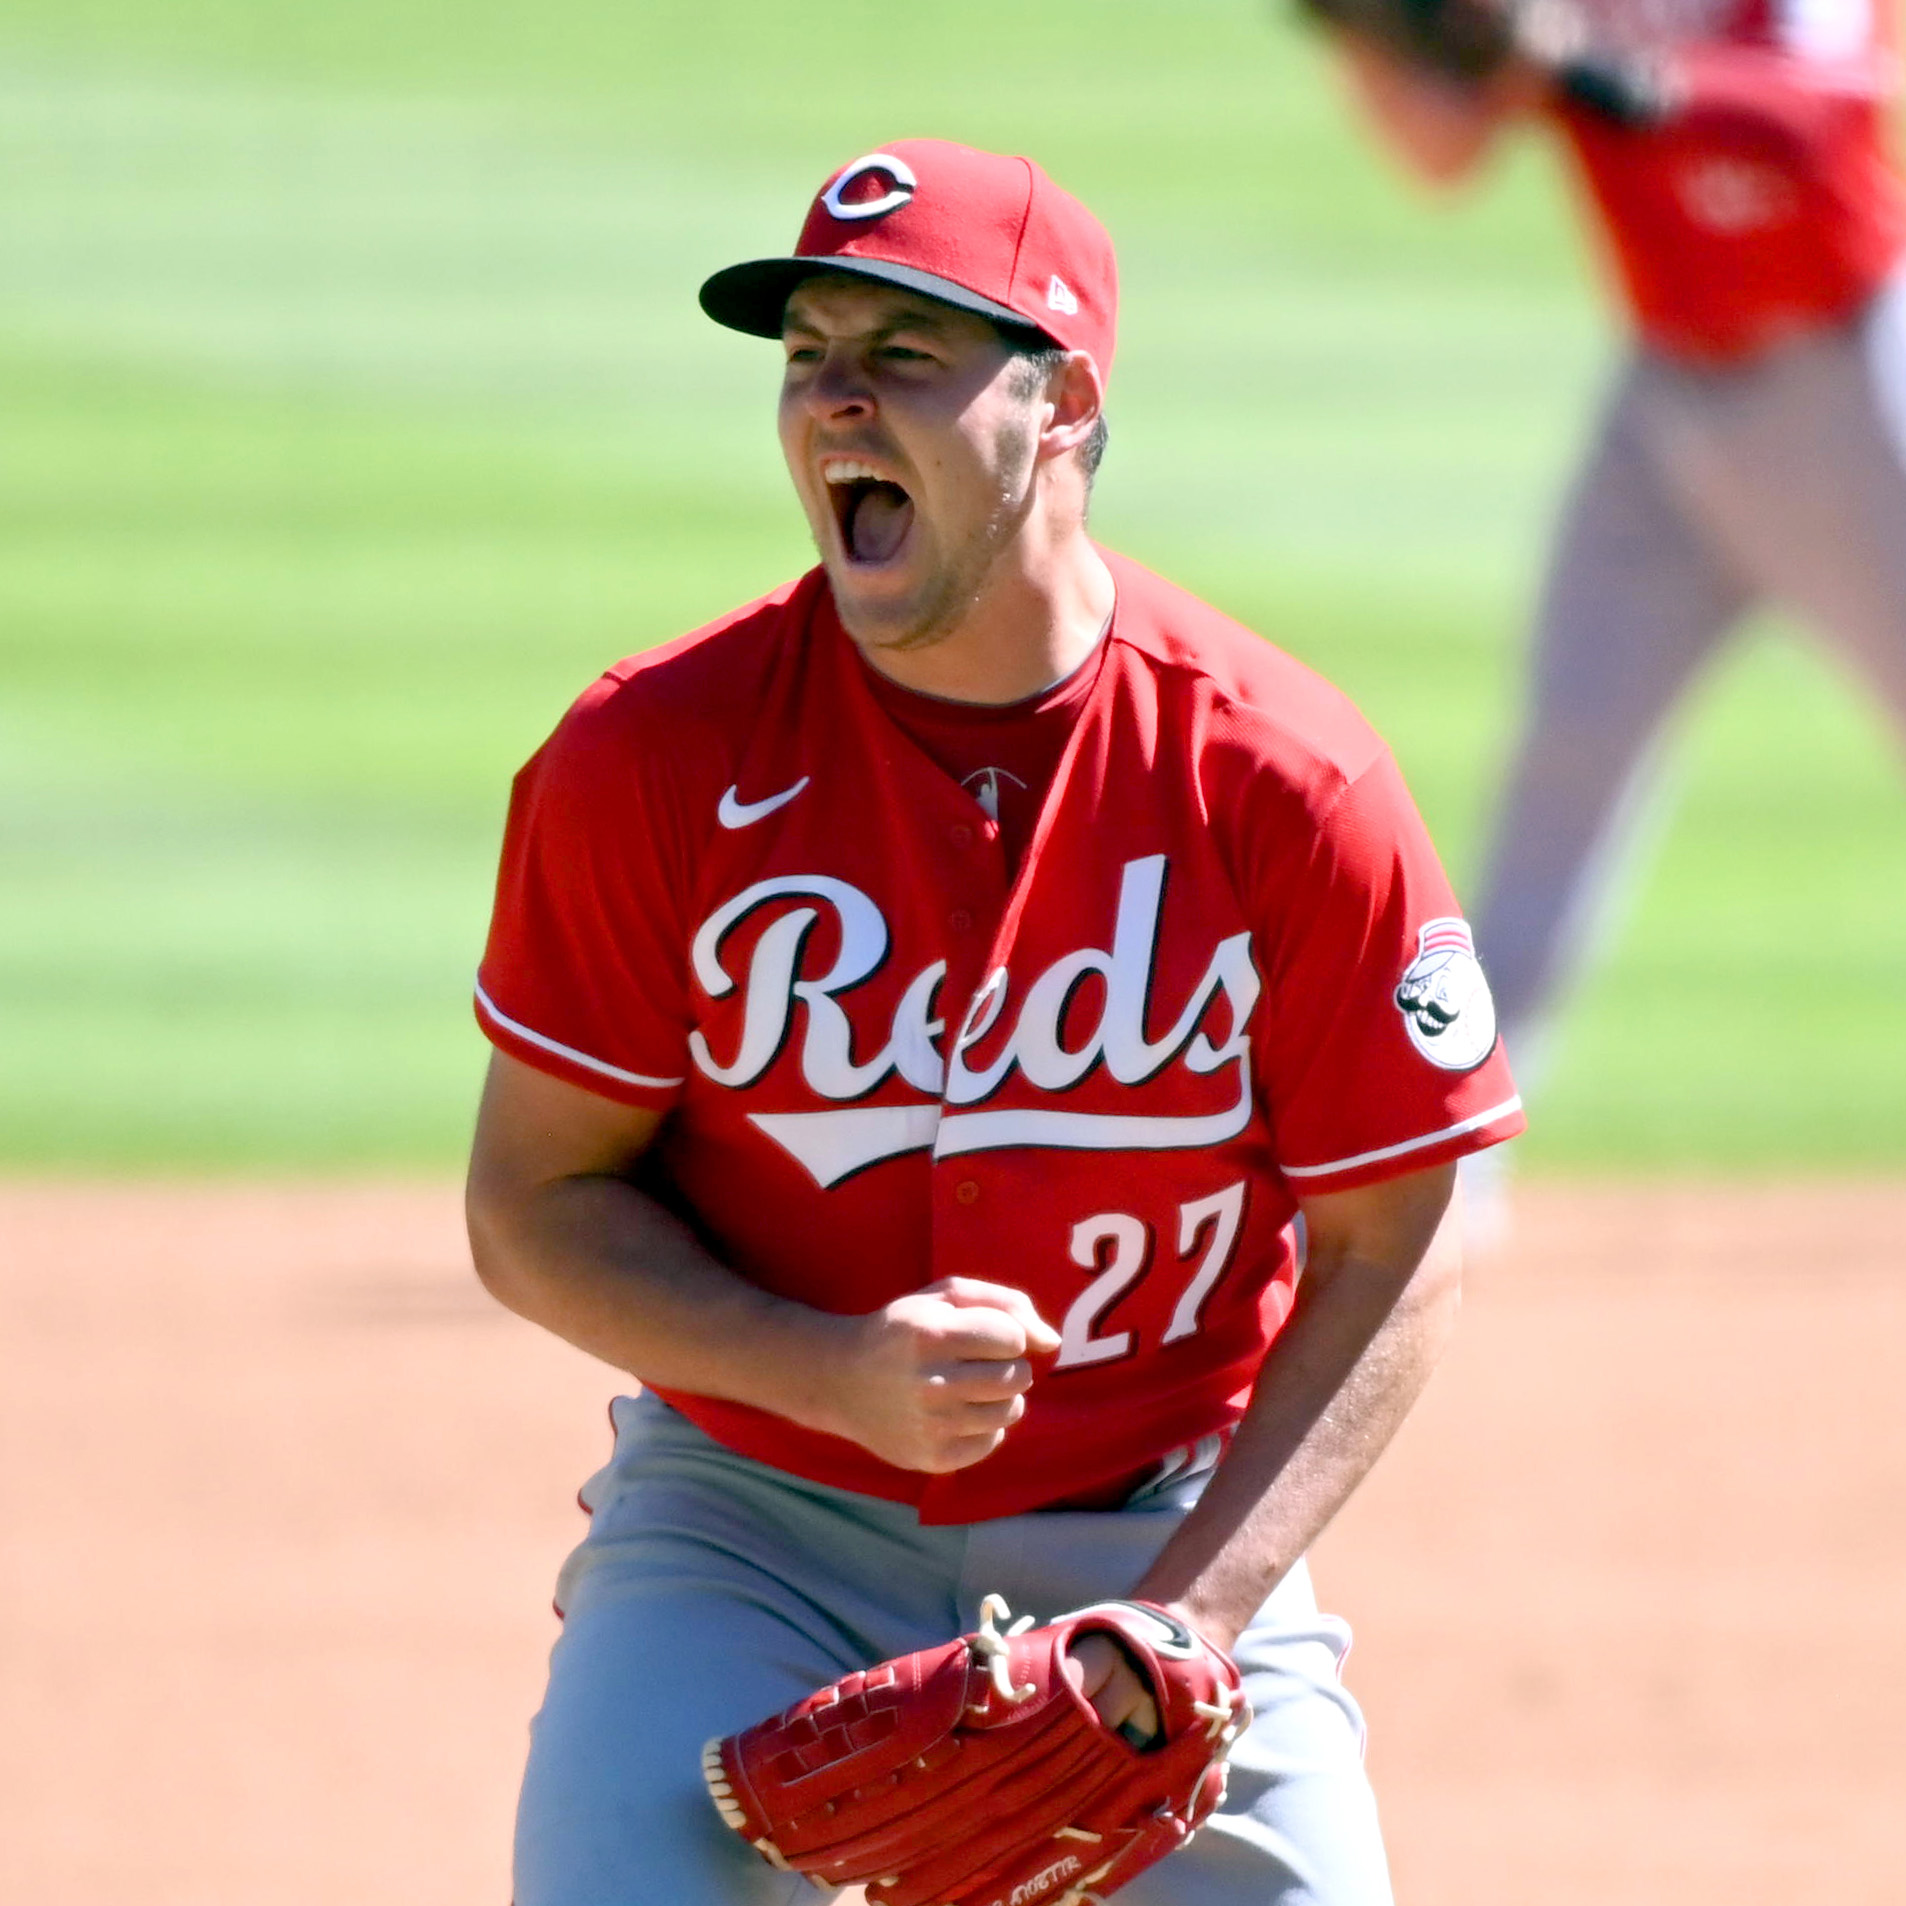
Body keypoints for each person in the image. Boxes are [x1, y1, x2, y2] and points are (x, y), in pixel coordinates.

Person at [464, 137, 1523, 1906]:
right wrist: (828, 1374)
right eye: (809, 356)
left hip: (1162, 1523)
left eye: (904, 355)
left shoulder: (1283, 780)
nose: (836, 406)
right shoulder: (650, 759)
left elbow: (1394, 1241)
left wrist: (1191, 1619)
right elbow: (529, 1207)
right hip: (750, 1537)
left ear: (1068, 405)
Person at [1306, 0, 1906, 1114]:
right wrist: (1367, 40)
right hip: (1664, 403)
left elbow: (1811, 119)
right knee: (1565, 759)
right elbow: (1444, 152)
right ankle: (1449, 1140)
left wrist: (1579, 66)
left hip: (1851, 397)